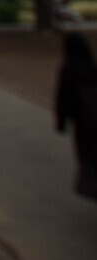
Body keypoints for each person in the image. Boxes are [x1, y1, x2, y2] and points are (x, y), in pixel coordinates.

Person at [55, 32, 97, 201]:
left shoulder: (68, 70)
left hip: (83, 123)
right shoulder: (92, 67)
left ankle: (91, 186)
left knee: (88, 156)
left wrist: (61, 122)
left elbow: (62, 98)